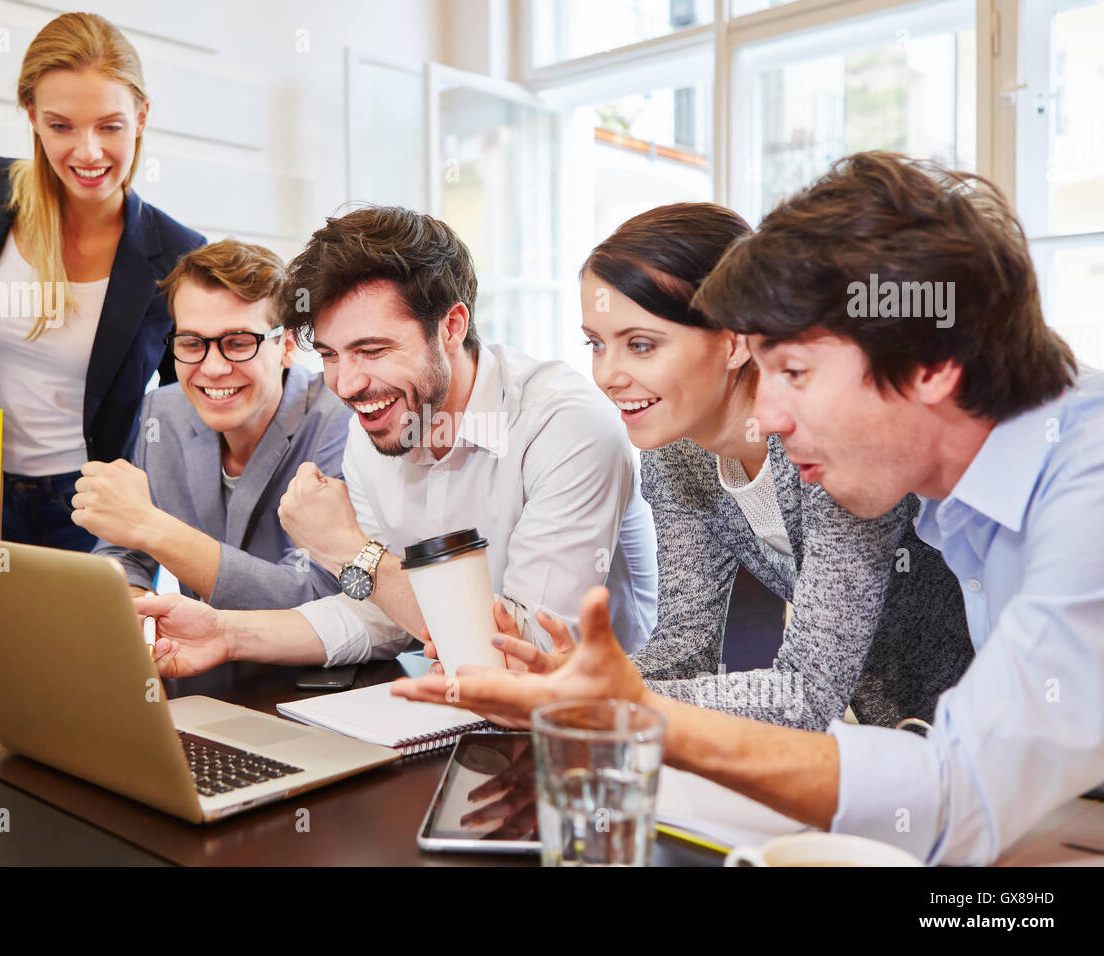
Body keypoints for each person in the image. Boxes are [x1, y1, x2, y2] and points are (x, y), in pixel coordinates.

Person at [393, 151, 1104, 866]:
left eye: (792, 371)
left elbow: (951, 793)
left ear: (930, 364)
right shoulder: (962, 494)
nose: (767, 412)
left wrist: (637, 710)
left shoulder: (1085, 488)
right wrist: (610, 696)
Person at [427, 204, 971, 731]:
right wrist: (567, 682)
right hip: (897, 735)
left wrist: (605, 695)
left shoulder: (825, 441)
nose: (608, 375)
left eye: (640, 345)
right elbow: (684, 652)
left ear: (734, 342)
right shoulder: (675, 449)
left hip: (984, 732)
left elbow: (805, 695)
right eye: (596, 344)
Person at [135, 206, 658, 672]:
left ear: (451, 326)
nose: (346, 385)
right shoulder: (379, 422)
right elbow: (380, 616)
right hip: (466, 707)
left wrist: (348, 548)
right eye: (332, 355)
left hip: (602, 723)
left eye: (372, 349)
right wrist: (225, 633)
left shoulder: (564, 426)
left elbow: (524, 658)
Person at [0, 12, 204, 551]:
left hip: (92, 503)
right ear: (30, 115)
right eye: (61, 125)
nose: (89, 152)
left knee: (77, 639)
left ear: (141, 117)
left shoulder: (178, 255)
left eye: (110, 125)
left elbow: (182, 399)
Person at [72, 240, 352, 608]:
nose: (213, 369)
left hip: (314, 665)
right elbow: (123, 554)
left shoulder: (340, 421)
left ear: (286, 346)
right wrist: (138, 611)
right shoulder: (162, 412)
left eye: (238, 343)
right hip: (195, 661)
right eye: (191, 343)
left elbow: (321, 593)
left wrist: (155, 528)